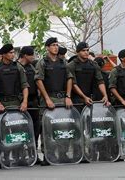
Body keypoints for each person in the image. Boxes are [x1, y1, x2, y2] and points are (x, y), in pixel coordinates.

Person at [0, 44, 29, 169]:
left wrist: (24, 102)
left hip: (16, 103)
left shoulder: (18, 67)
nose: (13, 55)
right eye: (10, 53)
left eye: (13, 52)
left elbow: (25, 86)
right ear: (4, 54)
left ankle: (19, 156)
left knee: (18, 131)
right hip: (2, 105)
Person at [34, 37, 73, 166]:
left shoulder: (64, 62)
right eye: (53, 45)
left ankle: (63, 152)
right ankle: (48, 154)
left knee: (64, 126)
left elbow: (69, 78)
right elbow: (39, 81)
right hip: (49, 98)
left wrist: (68, 96)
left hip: (62, 98)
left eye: (57, 45)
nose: (56, 47)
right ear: (47, 48)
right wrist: (46, 99)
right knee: (47, 128)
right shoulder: (42, 62)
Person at [67, 42, 109, 113]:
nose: (86, 52)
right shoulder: (71, 65)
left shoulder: (93, 64)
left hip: (91, 99)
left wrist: (105, 95)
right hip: (77, 100)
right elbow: (73, 84)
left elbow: (100, 81)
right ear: (77, 52)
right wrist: (84, 97)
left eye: (87, 50)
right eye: (83, 50)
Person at [17, 46, 41, 164]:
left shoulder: (32, 67)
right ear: (25, 55)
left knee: (35, 129)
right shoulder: (16, 67)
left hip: (33, 101)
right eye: (32, 55)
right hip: (21, 103)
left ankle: (34, 154)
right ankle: (20, 155)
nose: (34, 57)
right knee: (21, 130)